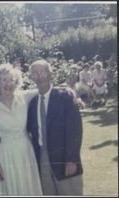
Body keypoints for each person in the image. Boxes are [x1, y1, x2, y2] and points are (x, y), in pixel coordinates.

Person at [0, 63, 42, 195]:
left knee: (29, 189)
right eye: (4, 80)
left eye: (12, 80)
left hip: (26, 151)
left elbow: (45, 89)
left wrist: (67, 90)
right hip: (6, 156)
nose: (8, 84)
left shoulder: (24, 97)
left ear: (16, 83)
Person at [27, 59, 83, 195]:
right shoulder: (32, 103)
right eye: (35, 73)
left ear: (50, 73)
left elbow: (75, 130)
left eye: (43, 72)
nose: (39, 76)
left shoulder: (65, 96)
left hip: (64, 158)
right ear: (31, 77)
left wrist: (72, 159)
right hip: (42, 159)